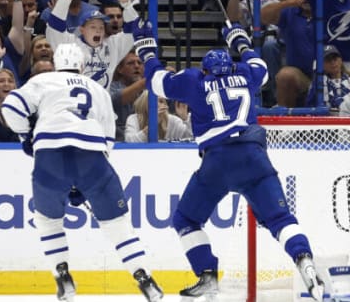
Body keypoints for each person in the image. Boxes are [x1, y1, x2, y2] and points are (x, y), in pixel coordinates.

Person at [132, 21, 325, 300]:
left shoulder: (194, 80)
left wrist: (148, 52)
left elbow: (157, 81)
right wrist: (241, 42)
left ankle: (207, 275)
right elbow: (262, 68)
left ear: (206, 70)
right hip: (254, 156)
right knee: (281, 219)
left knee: (186, 218)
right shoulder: (246, 73)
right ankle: (304, 260)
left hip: (218, 161)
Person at [0, 43, 163, 302]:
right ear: (83, 66)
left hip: (50, 154)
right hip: (92, 157)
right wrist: (86, 179)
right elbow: (108, 139)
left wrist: (25, 136)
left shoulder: (43, 80)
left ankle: (62, 275)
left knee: (47, 220)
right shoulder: (98, 89)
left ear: (55, 62)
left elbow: (11, 107)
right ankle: (143, 276)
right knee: (117, 225)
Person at [125, 90, 192, 143]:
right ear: (144, 104)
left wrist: (185, 118)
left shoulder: (173, 120)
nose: (157, 104)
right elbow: (129, 141)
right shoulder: (134, 119)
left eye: (161, 101)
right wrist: (152, 124)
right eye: (153, 101)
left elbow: (190, 138)